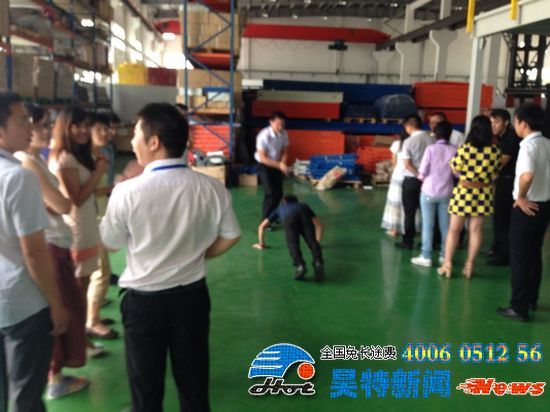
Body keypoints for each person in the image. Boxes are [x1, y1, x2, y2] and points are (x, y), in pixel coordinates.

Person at [100, 103, 241, 412]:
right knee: (194, 385)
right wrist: (197, 256)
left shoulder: (127, 192)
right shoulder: (211, 187)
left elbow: (110, 244)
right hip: (191, 299)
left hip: (144, 304)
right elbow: (231, 235)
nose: (131, 141)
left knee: (146, 389)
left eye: (136, 134)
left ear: (154, 142)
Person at [0, 91, 69, 412]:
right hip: (22, 302)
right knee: (26, 395)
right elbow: (34, 253)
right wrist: (56, 304)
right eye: (22, 120)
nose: (30, 127)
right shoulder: (17, 177)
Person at [15, 105, 88, 399]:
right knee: (58, 310)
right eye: (37, 125)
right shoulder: (27, 163)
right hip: (49, 245)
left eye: (47, 125)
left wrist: (53, 203)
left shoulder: (36, 160)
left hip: (56, 241)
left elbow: (57, 204)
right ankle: (54, 376)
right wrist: (54, 203)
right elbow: (63, 204)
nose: (44, 131)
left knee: (67, 306)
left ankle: (56, 371)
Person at [48, 107, 111, 353]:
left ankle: (81, 339)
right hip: (77, 230)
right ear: (65, 127)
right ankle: (77, 343)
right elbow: (76, 198)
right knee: (77, 291)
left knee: (82, 288)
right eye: (77, 125)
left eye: (86, 125)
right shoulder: (65, 158)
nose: (83, 130)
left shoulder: (75, 155)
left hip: (86, 226)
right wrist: (99, 172)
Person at [497, 103, 550, 322]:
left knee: (519, 257)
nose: (515, 125)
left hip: (527, 207)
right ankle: (531, 299)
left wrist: (520, 196)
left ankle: (519, 307)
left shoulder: (528, 147)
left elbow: (527, 176)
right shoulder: (547, 143)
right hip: (544, 206)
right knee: (534, 254)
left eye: (516, 121)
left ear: (524, 123)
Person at [438, 115, 501, 278]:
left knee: (454, 229)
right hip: (483, 194)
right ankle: (469, 266)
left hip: (464, 191)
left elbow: (454, 169)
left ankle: (447, 264)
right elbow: (495, 173)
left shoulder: (465, 149)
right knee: (476, 230)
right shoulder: (495, 151)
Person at [86, 113, 118, 340]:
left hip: (99, 217)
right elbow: (82, 194)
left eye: (107, 129)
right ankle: (91, 321)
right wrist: (112, 188)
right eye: (100, 129)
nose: (106, 133)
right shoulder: (84, 159)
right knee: (100, 272)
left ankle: (92, 315)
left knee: (99, 271)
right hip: (89, 221)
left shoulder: (100, 154)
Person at [411, 121, 457, 267]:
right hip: (447, 193)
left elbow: (423, 170)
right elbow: (457, 173)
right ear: (450, 134)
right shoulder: (455, 150)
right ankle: (444, 255)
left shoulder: (430, 149)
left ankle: (426, 256)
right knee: (445, 226)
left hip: (428, 192)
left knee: (428, 226)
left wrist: (420, 177)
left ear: (435, 134)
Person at [253, 195, 324, 280]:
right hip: (305, 218)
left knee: (293, 244)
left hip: (289, 219)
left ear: (284, 201)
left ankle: (300, 266)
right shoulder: (303, 206)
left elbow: (261, 226)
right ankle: (318, 262)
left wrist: (261, 244)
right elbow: (319, 225)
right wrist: (317, 242)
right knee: (311, 241)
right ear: (297, 201)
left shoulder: (280, 208)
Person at [486, 108, 520, 266]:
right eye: (491, 122)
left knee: (503, 218)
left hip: (509, 182)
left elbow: (502, 162)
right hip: (502, 181)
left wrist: (482, 170)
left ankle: (504, 254)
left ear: (506, 122)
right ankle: (497, 248)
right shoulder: (499, 138)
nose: (493, 125)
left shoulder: (512, 138)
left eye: (497, 122)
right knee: (498, 218)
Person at [396, 114, 434, 249]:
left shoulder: (408, 142)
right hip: (429, 181)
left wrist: (419, 175)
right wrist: (424, 177)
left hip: (412, 181)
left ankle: (408, 241)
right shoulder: (432, 139)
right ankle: (429, 242)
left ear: (410, 126)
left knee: (410, 213)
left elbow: (407, 165)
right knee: (428, 213)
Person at [255, 111, 290, 222]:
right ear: (271, 122)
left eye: (282, 124)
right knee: (270, 193)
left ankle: (272, 216)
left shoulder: (284, 133)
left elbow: (285, 150)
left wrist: (283, 162)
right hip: (264, 165)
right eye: (278, 124)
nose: (280, 127)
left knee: (279, 194)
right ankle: (265, 220)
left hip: (276, 164)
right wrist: (280, 165)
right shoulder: (264, 135)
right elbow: (262, 157)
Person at [381, 128, 410, 237]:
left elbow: (394, 162)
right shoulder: (414, 143)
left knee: (395, 202)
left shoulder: (397, 144)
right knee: (409, 203)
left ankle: (394, 229)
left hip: (398, 177)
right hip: (411, 177)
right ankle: (408, 227)